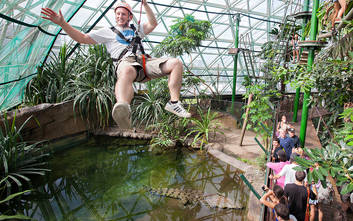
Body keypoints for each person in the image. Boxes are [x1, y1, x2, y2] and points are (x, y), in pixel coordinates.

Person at [41, 1, 191, 129]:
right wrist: (62, 23)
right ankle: (122, 108)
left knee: (175, 63)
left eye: (123, 14)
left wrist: (145, 5)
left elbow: (153, 23)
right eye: (118, 14)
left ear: (130, 17)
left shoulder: (136, 29)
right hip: (125, 62)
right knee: (127, 71)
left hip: (144, 61)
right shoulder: (108, 32)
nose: (120, 16)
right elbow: (82, 38)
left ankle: (174, 102)